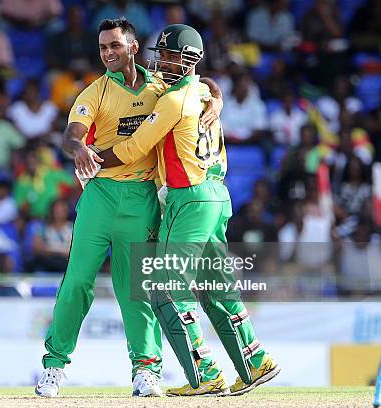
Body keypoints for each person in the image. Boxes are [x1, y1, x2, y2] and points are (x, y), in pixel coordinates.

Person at [35, 18, 223, 398]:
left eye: (115, 46)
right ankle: (54, 367)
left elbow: (201, 82)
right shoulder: (95, 92)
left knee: (136, 290)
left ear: (133, 48)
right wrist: (80, 148)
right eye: (103, 48)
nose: (108, 54)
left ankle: (146, 370)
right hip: (101, 196)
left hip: (142, 199)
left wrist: (216, 99)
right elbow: (71, 135)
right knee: (77, 282)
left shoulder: (160, 85)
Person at [97, 24, 280, 396]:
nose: (160, 62)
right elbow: (209, 84)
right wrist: (217, 95)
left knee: (165, 287)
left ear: (189, 59)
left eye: (167, 56)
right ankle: (255, 360)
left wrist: (93, 159)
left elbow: (133, 149)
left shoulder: (173, 100)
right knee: (215, 287)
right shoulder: (198, 91)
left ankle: (205, 373)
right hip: (217, 196)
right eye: (159, 55)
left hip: (190, 198)